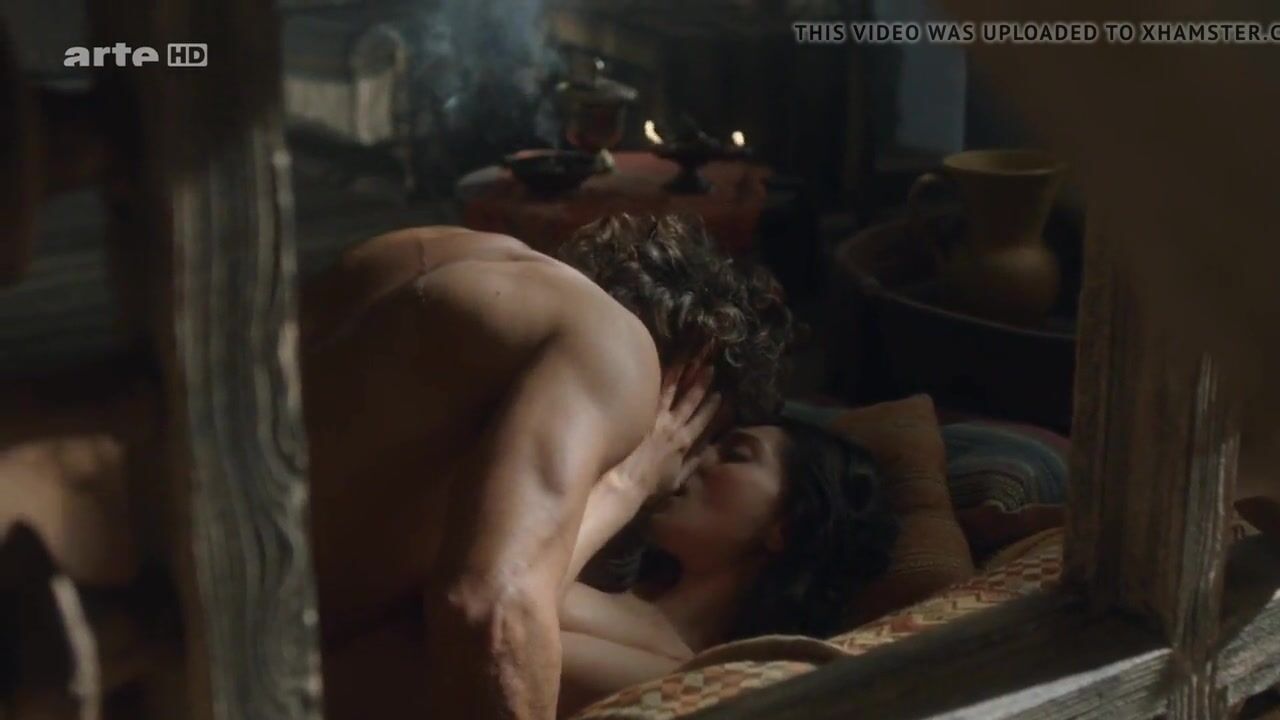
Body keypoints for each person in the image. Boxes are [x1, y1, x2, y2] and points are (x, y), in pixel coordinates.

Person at [300, 213, 794, 720]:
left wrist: (623, 487)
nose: (685, 463)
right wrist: (630, 480)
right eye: (693, 433)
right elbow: (492, 609)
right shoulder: (615, 348)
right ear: (690, 383)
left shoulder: (426, 254)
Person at [552, 372, 898, 717]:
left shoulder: (686, 676)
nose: (697, 459)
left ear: (787, 525)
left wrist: (630, 482)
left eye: (736, 455)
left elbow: (520, 629)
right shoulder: (608, 572)